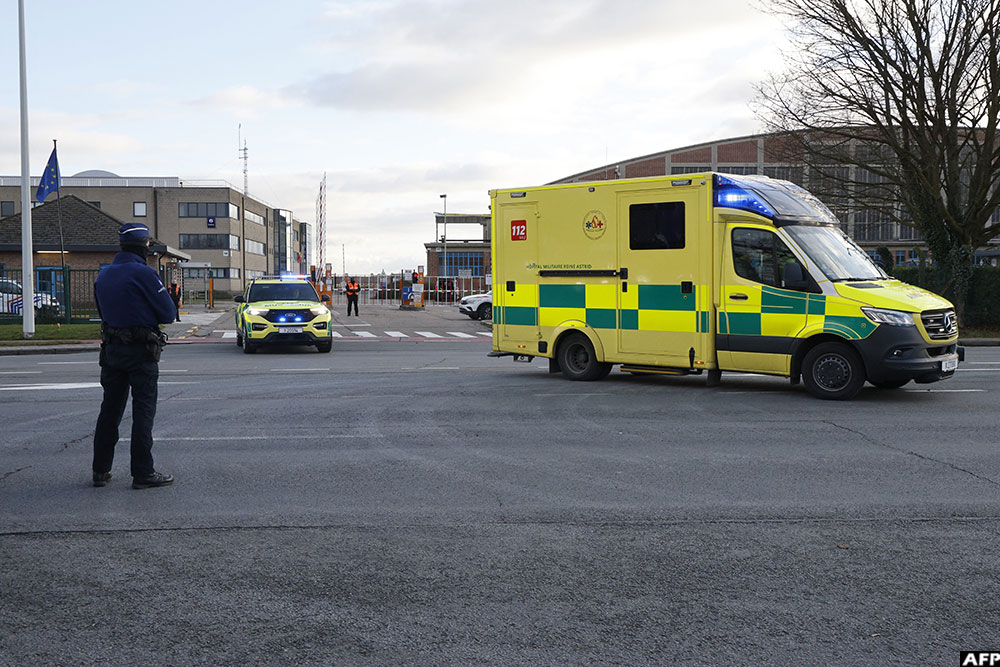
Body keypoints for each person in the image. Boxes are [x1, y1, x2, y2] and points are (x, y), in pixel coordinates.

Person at [91, 223, 178, 490]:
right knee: (143, 411)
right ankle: (143, 472)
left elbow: (103, 312)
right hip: (141, 351)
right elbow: (167, 314)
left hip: (112, 350)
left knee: (110, 411)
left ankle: (100, 470)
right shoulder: (145, 274)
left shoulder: (103, 276)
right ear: (144, 246)